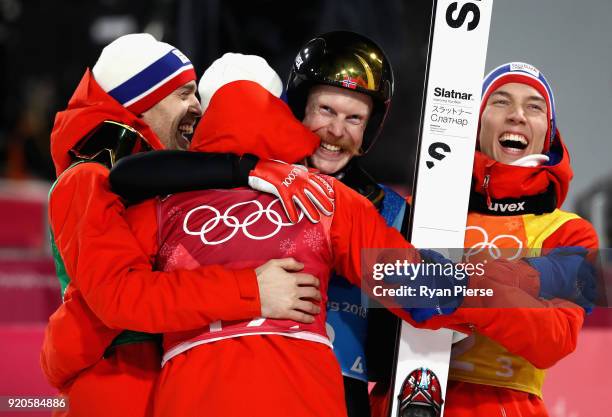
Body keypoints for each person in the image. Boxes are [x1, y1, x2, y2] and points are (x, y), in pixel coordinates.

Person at [41, 34, 333, 417]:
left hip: (175, 380)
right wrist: (253, 289)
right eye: (183, 94)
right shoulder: (88, 179)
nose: (197, 108)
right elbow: (120, 297)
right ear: (140, 102)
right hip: (123, 386)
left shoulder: (171, 182)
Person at [384, 62, 599, 417]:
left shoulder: (567, 231)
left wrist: (465, 289)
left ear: (549, 131)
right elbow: (375, 278)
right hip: (403, 398)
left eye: (534, 106)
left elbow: (554, 338)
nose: (517, 115)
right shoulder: (418, 209)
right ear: (477, 122)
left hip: (501, 407)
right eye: (500, 102)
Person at [284, 31, 408, 417]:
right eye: (326, 111)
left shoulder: (390, 210)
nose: (336, 132)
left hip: (341, 396)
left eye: (354, 118)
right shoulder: (251, 186)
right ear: (300, 108)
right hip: (258, 380)